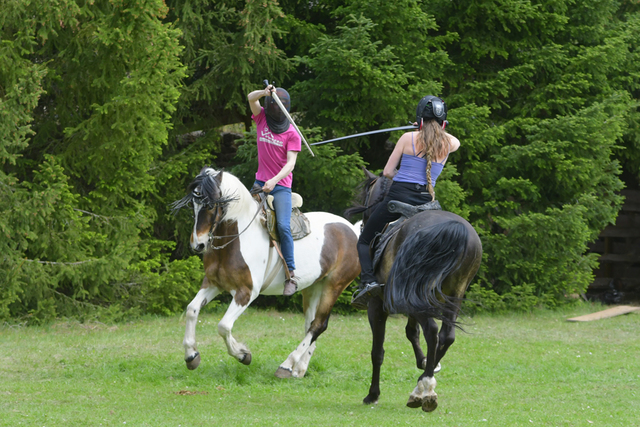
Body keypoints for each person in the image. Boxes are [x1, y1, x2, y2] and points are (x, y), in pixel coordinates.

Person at [351, 95, 460, 310]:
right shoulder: (451, 143)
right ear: (444, 123)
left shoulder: (407, 138)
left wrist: (417, 130)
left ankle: (369, 282)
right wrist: (432, 129)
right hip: (426, 204)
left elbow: (388, 172)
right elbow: (448, 136)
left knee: (364, 241)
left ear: (419, 120)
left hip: (398, 199)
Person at [247, 84, 302, 296]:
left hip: (280, 187)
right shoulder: (261, 118)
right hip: (259, 183)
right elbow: (251, 99)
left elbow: (290, 164)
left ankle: (292, 275)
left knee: (282, 226)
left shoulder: (291, 132)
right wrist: (264, 92)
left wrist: (274, 180)